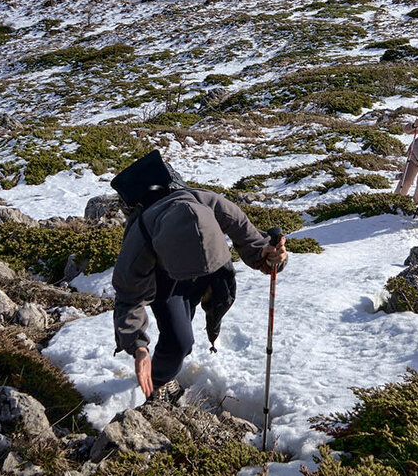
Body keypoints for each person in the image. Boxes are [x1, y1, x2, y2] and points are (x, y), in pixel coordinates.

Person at [109, 151, 288, 403]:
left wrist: (271, 257)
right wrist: (138, 346)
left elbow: (257, 245)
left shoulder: (216, 206)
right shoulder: (140, 240)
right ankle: (159, 382)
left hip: (201, 274)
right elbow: (128, 298)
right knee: (180, 341)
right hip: (166, 281)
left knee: (182, 329)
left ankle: (164, 365)